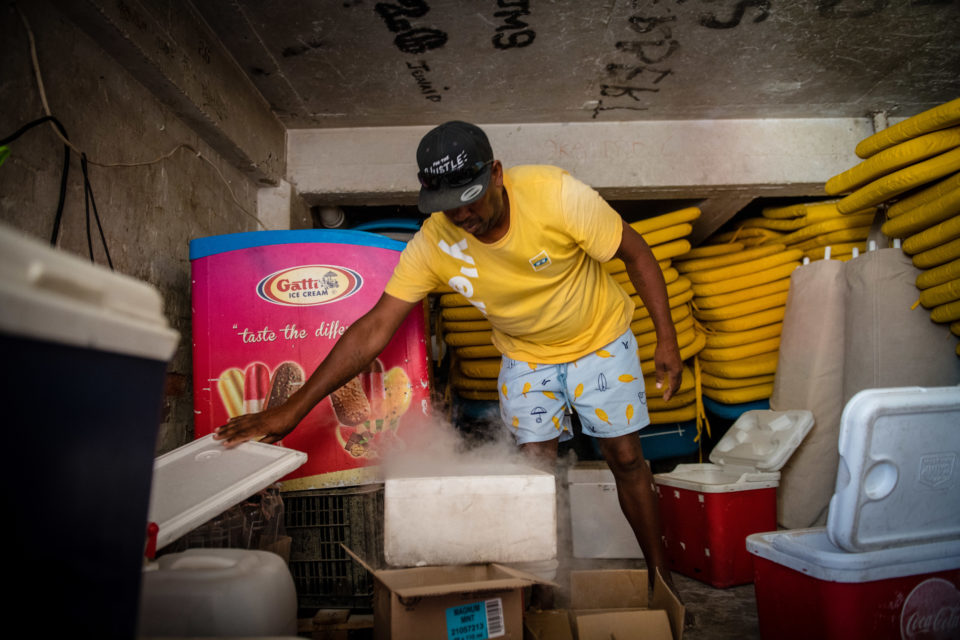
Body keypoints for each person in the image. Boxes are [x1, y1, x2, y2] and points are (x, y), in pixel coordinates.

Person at [215, 121, 683, 592]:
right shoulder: (434, 243)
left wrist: (667, 341)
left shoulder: (556, 195)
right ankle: (540, 587)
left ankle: (659, 578)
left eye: (470, 197)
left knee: (624, 457)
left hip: (598, 338)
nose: (461, 215)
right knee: (533, 472)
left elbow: (636, 253)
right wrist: (292, 409)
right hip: (526, 356)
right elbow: (374, 327)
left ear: (497, 173)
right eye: (447, 204)